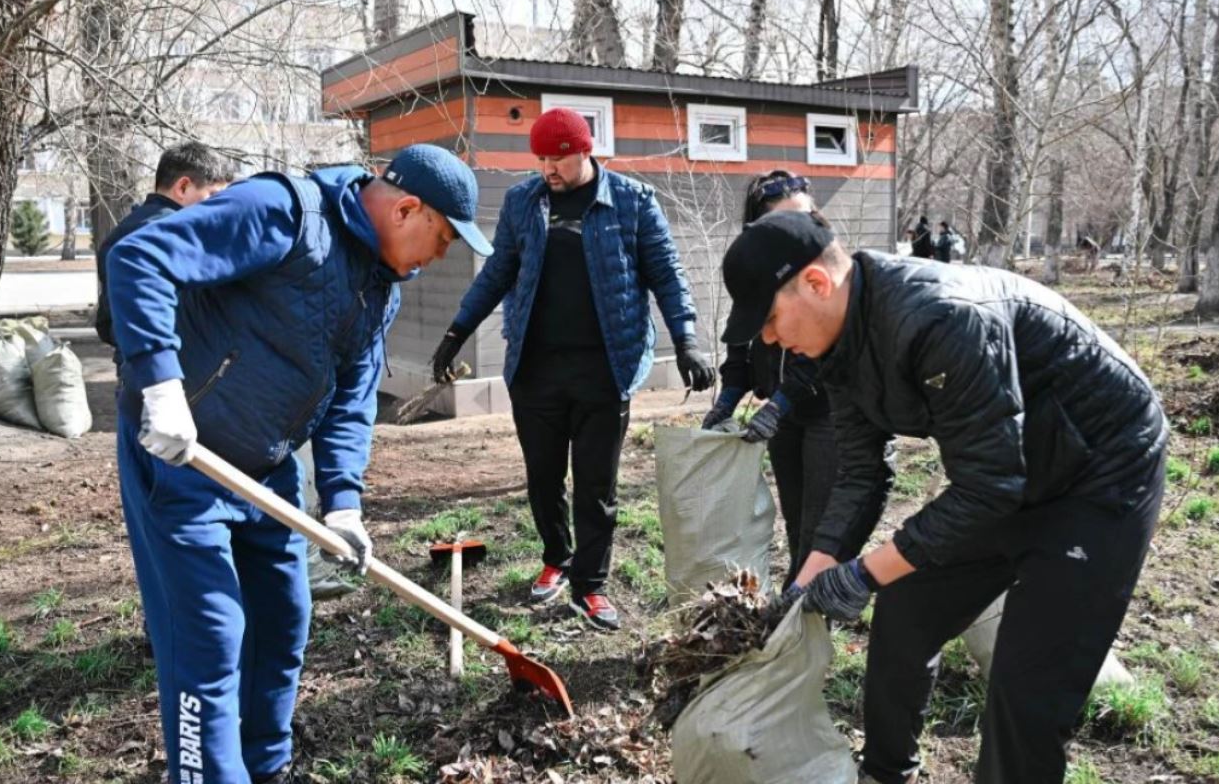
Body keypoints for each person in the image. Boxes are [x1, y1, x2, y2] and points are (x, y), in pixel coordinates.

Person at [722, 211, 1167, 784]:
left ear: (816, 283)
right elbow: (861, 471)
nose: (767, 339)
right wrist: (809, 580)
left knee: (1026, 689)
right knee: (907, 608)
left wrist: (864, 574)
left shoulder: (940, 316)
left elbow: (987, 486)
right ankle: (886, 773)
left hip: (1100, 472)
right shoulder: (837, 346)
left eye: (769, 318)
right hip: (1010, 471)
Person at [107, 144, 490, 784]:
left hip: (269, 468)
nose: (440, 257)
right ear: (406, 209)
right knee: (211, 636)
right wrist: (159, 384)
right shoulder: (284, 211)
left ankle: (266, 766)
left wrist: (343, 503)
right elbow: (139, 257)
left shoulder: (379, 288)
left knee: (283, 619)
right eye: (444, 238)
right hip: (183, 459)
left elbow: (351, 401)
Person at [430, 108, 714, 631]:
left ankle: (591, 585)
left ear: (585, 151)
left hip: (605, 369)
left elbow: (667, 274)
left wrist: (687, 340)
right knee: (543, 478)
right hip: (535, 369)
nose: (547, 170)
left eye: (556, 159)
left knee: (596, 486)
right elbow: (498, 272)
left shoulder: (632, 201)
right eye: (540, 159)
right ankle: (556, 558)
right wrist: (455, 332)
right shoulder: (523, 201)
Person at [701, 170, 844, 585]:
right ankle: (801, 594)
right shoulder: (757, 267)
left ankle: (812, 602)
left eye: (804, 217)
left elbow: (820, 356)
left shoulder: (824, 276)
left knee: (820, 522)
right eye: (784, 220)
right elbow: (741, 339)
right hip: (782, 414)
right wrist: (728, 398)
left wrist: (781, 403)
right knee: (796, 517)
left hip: (827, 411)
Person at [95, 141, 236, 360]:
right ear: (182, 187)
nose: (219, 208)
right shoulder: (172, 234)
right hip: (168, 362)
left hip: (139, 359)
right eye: (214, 196)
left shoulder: (133, 226)